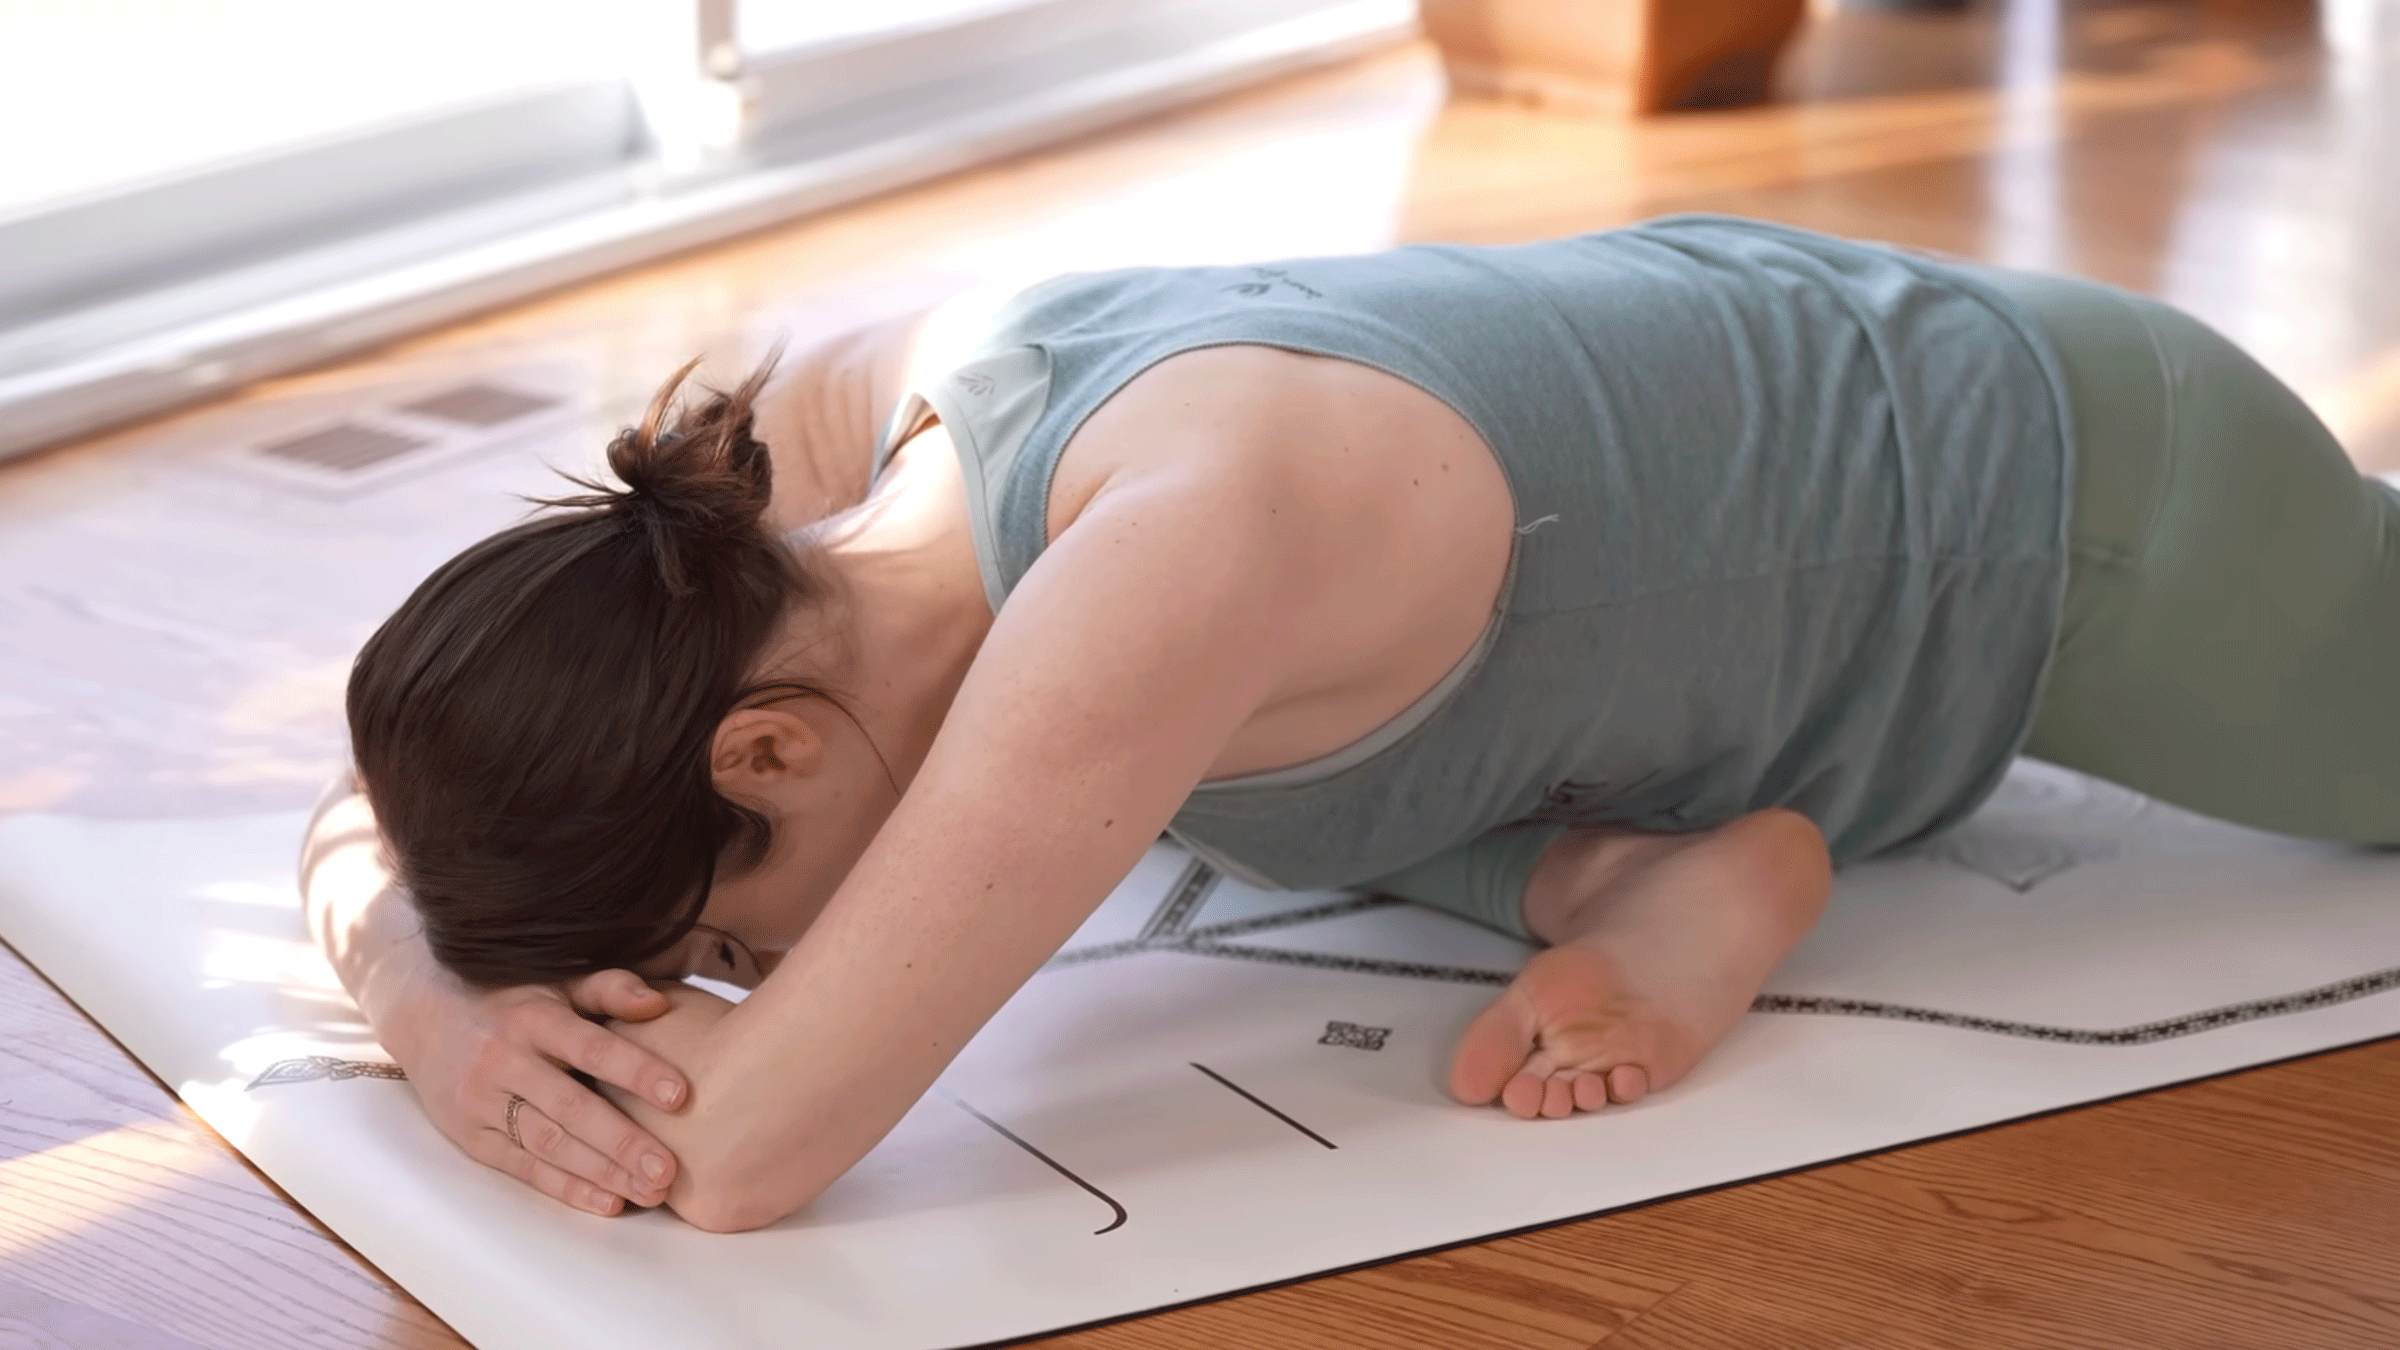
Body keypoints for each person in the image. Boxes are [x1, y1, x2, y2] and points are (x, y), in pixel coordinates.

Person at [299, 215, 2400, 1233]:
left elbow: (753, 1156)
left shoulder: (1171, 551)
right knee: (1227, 797)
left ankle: (1646, 853)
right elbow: (400, 779)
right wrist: (422, 976)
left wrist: (536, 1032)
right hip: (1722, 588)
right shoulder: (813, 487)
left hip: (2067, 509)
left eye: (729, 948)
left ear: (763, 750)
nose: (748, 990)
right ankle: (1638, 872)